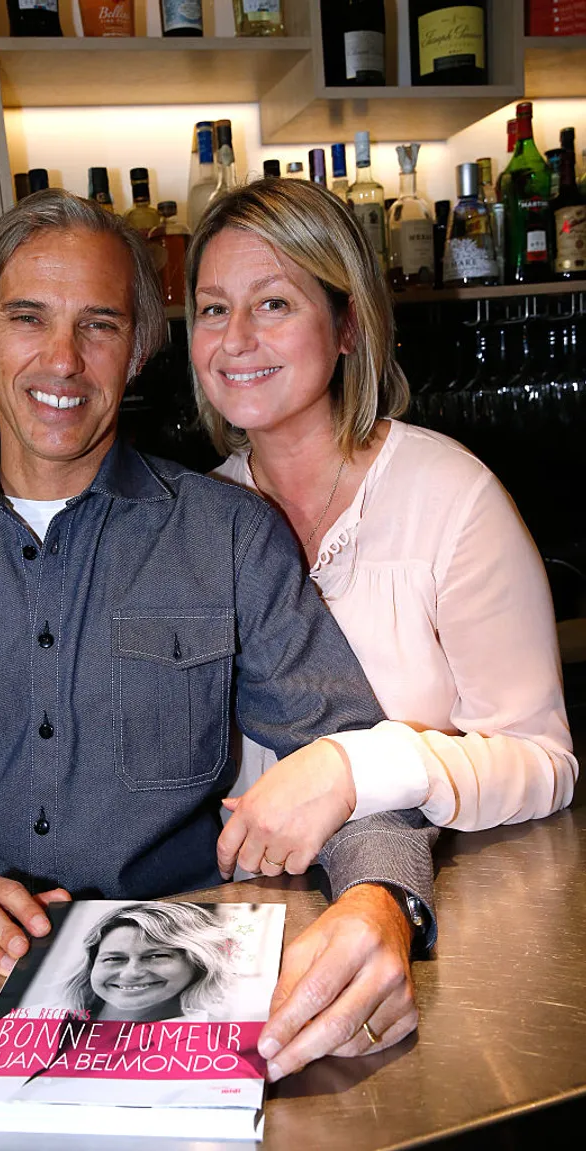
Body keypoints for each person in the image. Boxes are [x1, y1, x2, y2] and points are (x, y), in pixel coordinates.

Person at [0, 189, 436, 1080]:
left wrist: (382, 899)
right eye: (29, 317)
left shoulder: (229, 535)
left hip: (182, 996)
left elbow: (351, 755)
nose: (62, 360)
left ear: (140, 347)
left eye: (99, 325)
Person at [184, 176, 577, 880]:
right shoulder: (193, 518)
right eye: (214, 309)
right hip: (242, 921)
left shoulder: (453, 499)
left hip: (438, 903)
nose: (235, 340)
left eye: (273, 303)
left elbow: (545, 764)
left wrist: (356, 766)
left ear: (348, 326)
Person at [66, 902, 231, 1022]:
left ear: (198, 964)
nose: (131, 973)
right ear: (91, 966)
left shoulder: (206, 1058)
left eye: (156, 956)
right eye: (114, 958)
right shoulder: (47, 1018)